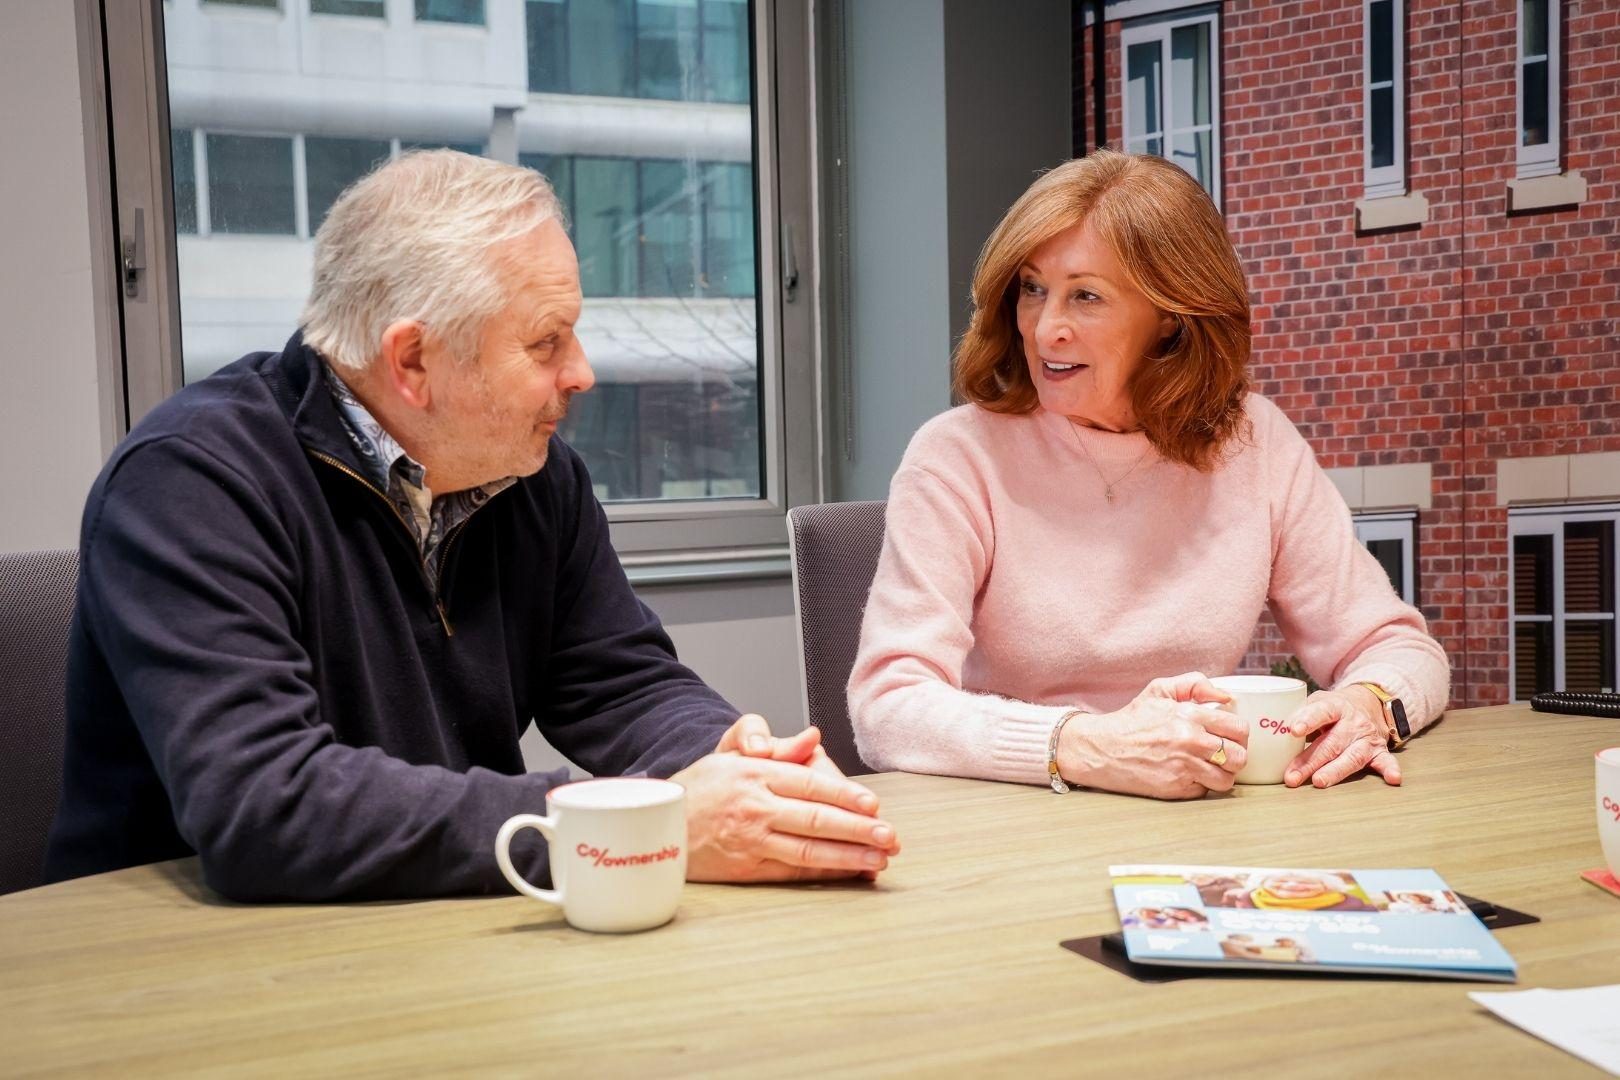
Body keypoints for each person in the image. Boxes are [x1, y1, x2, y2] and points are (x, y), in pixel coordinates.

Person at [45, 150, 900, 901]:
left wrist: (732, 761)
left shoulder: (533, 473)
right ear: (412, 361)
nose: (583, 373)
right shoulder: (191, 482)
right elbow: (267, 806)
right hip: (179, 970)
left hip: (433, 918)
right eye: (545, 342)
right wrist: (651, 824)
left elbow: (618, 682)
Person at [847, 149, 1449, 800]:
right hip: (1011, 823)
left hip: (1198, 818)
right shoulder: (956, 455)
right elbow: (887, 707)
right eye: (1032, 288)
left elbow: (1397, 647)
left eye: (1086, 296)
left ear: (1170, 314)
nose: (1047, 329)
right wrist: (1082, 746)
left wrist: (1371, 706)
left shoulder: (1255, 442)